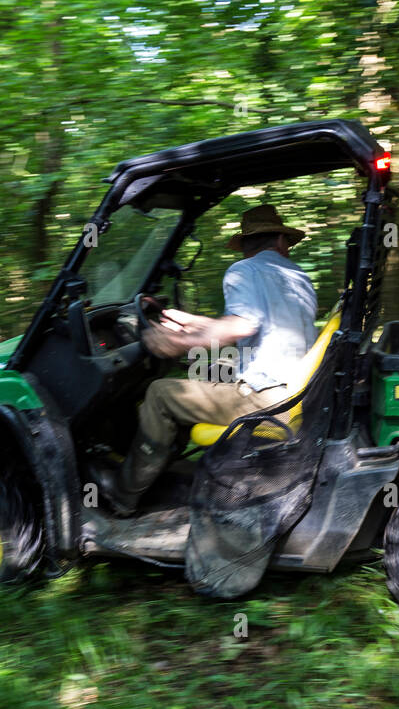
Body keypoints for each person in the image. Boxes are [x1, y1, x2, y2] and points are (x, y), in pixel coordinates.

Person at [93, 204, 318, 516]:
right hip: (295, 392)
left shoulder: (244, 270)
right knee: (205, 370)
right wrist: (190, 322)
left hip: (267, 402)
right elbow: (256, 324)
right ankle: (168, 474)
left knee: (159, 393)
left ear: (245, 245)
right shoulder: (297, 277)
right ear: (281, 242)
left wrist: (179, 342)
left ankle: (122, 495)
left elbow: (243, 325)